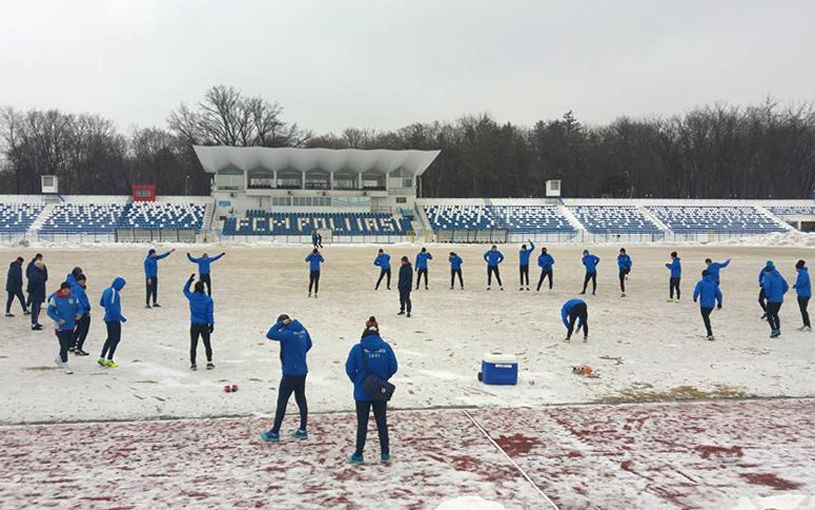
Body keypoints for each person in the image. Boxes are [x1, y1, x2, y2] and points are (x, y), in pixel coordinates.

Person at [345, 316, 398, 464]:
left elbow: (349, 368)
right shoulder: (386, 347)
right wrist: (383, 378)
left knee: (362, 423)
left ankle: (358, 454)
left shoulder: (357, 348)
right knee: (382, 422)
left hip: (362, 392)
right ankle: (385, 453)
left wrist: (357, 380)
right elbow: (393, 366)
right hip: (379, 391)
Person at [261, 314, 313, 442]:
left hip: (290, 372)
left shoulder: (288, 334)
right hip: (302, 371)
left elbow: (270, 334)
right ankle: (302, 430)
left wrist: (281, 324)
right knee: (301, 399)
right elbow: (309, 344)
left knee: (282, 401)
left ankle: (274, 432)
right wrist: (299, 353)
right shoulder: (302, 330)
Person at [47, 281, 83, 374]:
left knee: (67, 345)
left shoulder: (73, 298)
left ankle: (59, 359)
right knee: (63, 345)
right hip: (60, 327)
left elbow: (79, 308)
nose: (67, 292)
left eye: (68, 290)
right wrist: (58, 319)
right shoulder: (55, 299)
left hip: (71, 325)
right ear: (62, 290)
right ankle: (66, 365)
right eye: (65, 290)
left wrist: (79, 313)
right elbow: (50, 312)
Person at [183, 274, 215, 370]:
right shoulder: (208, 299)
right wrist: (212, 323)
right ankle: (209, 362)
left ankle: (193, 364)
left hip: (194, 324)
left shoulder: (192, 297)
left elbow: (185, 291)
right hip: (204, 324)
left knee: (193, 344)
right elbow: (210, 313)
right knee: (207, 343)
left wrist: (189, 281)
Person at [98, 277, 127, 368]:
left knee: (109, 338)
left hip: (107, 318)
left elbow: (102, 303)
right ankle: (109, 359)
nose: (122, 288)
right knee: (116, 339)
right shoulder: (114, 292)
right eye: (122, 286)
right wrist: (121, 317)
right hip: (113, 318)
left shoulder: (106, 290)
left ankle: (102, 357)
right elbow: (113, 307)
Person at [761, 260, 789, 338]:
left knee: (769, 315)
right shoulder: (779, 275)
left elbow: (766, 287)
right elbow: (786, 286)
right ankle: (778, 329)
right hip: (779, 299)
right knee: (775, 314)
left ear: (767, 271)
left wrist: (768, 295)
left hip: (772, 299)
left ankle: (774, 330)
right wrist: (781, 293)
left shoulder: (767, 277)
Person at [693, 270, 723, 341]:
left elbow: (696, 291)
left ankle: (710, 334)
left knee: (705, 318)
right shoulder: (714, 283)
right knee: (706, 317)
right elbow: (719, 294)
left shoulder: (701, 283)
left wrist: (695, 297)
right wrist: (719, 302)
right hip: (712, 305)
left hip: (703, 304)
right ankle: (709, 333)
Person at [69, 273, 91, 356]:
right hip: (83, 313)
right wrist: (87, 308)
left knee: (78, 329)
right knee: (84, 330)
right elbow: (82, 302)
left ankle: (71, 345)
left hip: (75, 312)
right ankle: (79, 348)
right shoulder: (79, 290)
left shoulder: (73, 288)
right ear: (81, 281)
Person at [28, 258, 48, 330]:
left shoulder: (38, 273)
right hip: (36, 294)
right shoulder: (35, 274)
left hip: (39, 293)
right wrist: (31, 292)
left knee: (37, 309)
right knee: (35, 309)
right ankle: (34, 323)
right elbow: (31, 285)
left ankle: (35, 322)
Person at [793, 259, 811, 332]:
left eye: (796, 268)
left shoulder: (803, 274)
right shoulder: (802, 273)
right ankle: (806, 324)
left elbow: (802, 283)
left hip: (804, 295)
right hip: (803, 294)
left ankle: (807, 325)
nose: (796, 269)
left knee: (803, 310)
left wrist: (796, 286)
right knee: (803, 310)